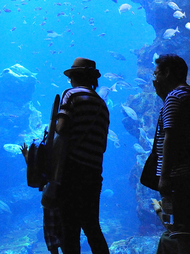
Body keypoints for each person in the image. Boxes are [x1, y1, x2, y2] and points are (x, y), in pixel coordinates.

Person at [44, 57, 110, 254]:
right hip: (93, 174)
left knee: (69, 229)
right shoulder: (102, 105)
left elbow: (62, 128)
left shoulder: (71, 95)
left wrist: (52, 126)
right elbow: (102, 146)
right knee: (92, 228)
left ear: (74, 77)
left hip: (71, 171)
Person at [151, 54, 190, 236]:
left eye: (157, 74)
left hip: (179, 175)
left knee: (180, 230)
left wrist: (164, 176)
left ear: (167, 72)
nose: (154, 79)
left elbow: (172, 136)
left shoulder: (174, 97)